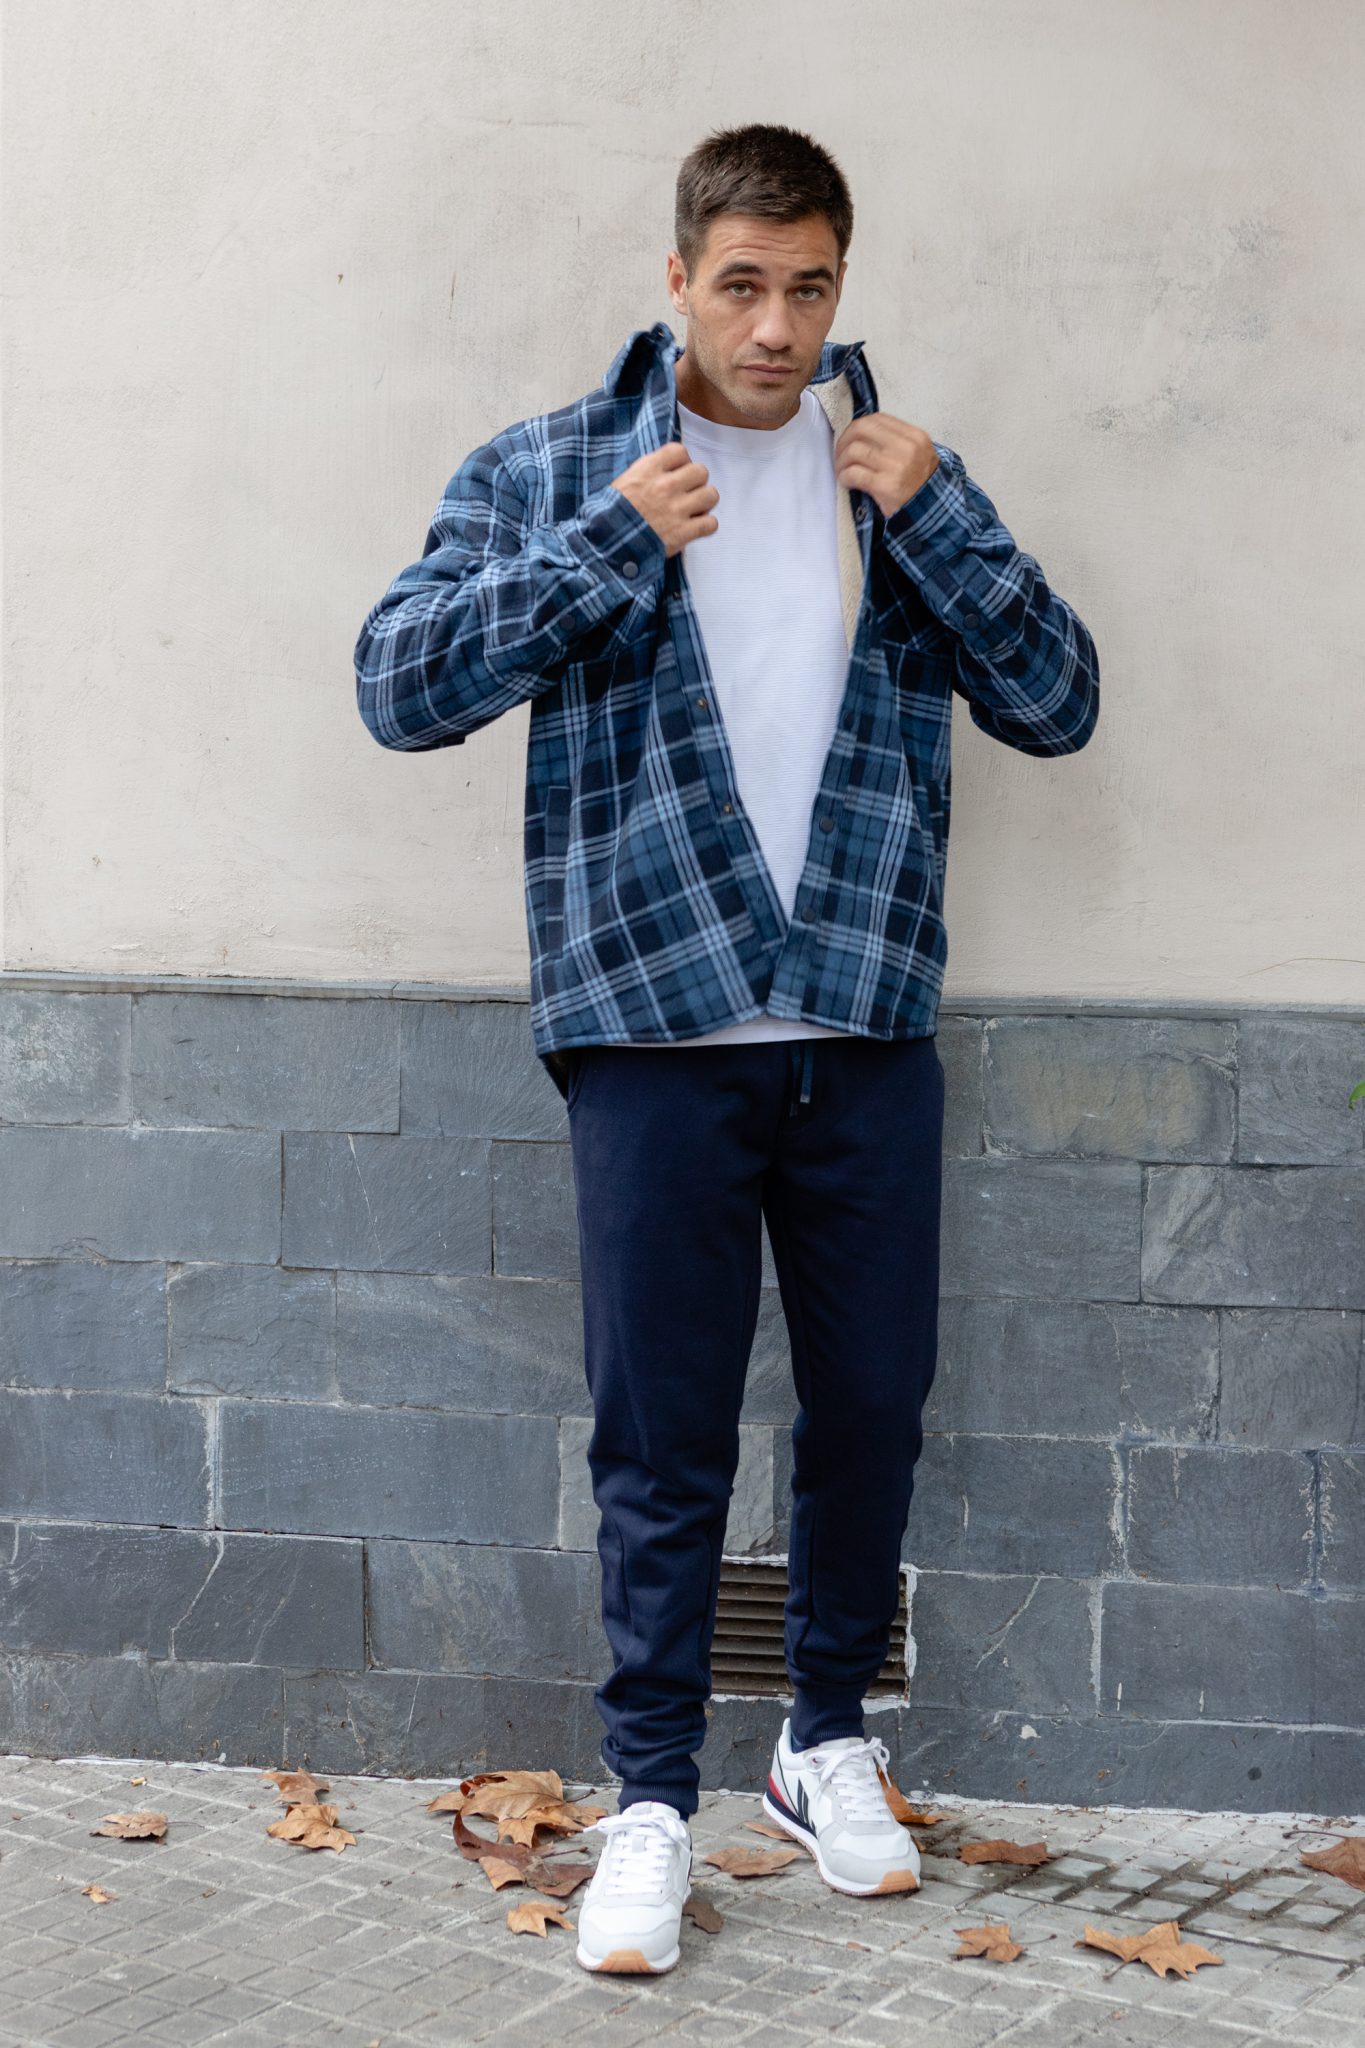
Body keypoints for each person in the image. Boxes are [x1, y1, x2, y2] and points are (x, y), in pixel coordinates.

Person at [355, 121, 1099, 1977]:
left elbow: (1058, 703)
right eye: (743, 283)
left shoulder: (892, 477)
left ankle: (822, 1739)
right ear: (677, 277)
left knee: (871, 1408)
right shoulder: (555, 467)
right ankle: (648, 1799)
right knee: (662, 1436)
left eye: (809, 287)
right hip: (652, 1024)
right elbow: (398, 685)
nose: (775, 325)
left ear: (841, 288)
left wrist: (944, 517)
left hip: (861, 1016)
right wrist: (610, 545)